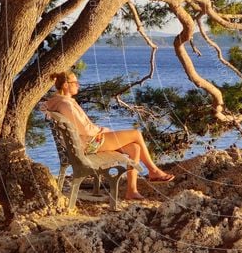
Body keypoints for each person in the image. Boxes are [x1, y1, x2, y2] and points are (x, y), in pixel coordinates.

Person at [43, 71, 174, 200]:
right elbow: (87, 130)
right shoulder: (66, 105)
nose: (78, 85)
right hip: (89, 144)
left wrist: (102, 131)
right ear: (66, 85)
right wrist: (103, 130)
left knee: (135, 148)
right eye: (75, 83)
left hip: (84, 143)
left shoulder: (61, 101)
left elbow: (81, 127)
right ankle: (153, 171)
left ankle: (132, 191)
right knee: (136, 134)